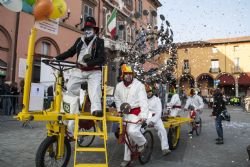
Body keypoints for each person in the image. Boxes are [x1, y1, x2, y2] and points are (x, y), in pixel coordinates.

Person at [55, 16, 105, 117]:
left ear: (94, 30)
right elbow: (70, 52)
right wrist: (57, 58)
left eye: (89, 29)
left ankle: (96, 109)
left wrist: (88, 63)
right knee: (70, 87)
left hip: (93, 71)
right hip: (79, 70)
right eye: (86, 29)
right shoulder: (79, 41)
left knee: (95, 89)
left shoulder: (99, 42)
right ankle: (76, 105)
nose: (87, 31)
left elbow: (102, 58)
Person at [114, 64, 149, 167]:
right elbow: (117, 99)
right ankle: (126, 159)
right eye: (126, 74)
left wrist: (143, 115)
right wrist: (119, 109)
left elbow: (143, 101)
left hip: (136, 112)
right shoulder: (119, 86)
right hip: (125, 113)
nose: (128, 76)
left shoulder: (139, 85)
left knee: (132, 131)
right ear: (122, 75)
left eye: (130, 74)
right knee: (126, 135)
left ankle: (142, 142)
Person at [146, 84, 171, 155]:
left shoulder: (157, 100)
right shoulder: (143, 99)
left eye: (150, 91)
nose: (149, 93)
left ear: (152, 91)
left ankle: (165, 148)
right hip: (145, 117)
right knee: (138, 129)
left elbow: (159, 112)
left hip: (156, 118)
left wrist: (153, 121)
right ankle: (142, 144)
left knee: (162, 130)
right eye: (147, 91)